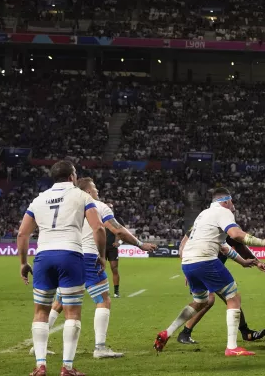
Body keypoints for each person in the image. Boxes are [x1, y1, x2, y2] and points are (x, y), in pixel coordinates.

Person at [154, 188, 265, 356]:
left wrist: (244, 262)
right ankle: (232, 347)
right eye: (232, 201)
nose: (233, 205)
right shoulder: (223, 212)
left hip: (189, 263)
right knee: (233, 297)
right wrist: (262, 242)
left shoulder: (203, 215)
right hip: (205, 260)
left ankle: (167, 332)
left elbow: (224, 246)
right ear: (225, 201)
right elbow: (236, 234)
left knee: (201, 301)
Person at [42, 178, 157, 359]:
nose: (97, 190)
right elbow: (117, 230)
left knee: (60, 301)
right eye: (94, 187)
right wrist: (140, 244)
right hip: (88, 257)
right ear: (87, 192)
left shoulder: (66, 206)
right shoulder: (98, 206)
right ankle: (100, 347)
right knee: (103, 300)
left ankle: (39, 345)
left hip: (66, 256)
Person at [17, 161, 106, 376]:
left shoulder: (38, 199)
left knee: (40, 311)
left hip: (43, 257)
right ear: (72, 176)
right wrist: (101, 256)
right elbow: (99, 228)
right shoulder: (81, 196)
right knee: (72, 312)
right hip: (70, 255)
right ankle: (66, 368)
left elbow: (22, 234)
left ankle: (40, 366)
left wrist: (23, 262)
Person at [176, 229, 265, 345]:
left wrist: (257, 262)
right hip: (200, 265)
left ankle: (245, 332)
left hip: (214, 269)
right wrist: (187, 264)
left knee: (231, 297)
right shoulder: (203, 224)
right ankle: (184, 333)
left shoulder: (229, 228)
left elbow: (241, 248)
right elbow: (183, 245)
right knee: (208, 301)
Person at [104, 203, 121, 298]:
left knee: (114, 269)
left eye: (111, 208)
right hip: (101, 247)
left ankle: (116, 291)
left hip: (112, 248)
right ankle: (103, 291)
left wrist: (119, 242)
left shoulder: (117, 220)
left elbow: (124, 234)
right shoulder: (99, 218)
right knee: (99, 270)